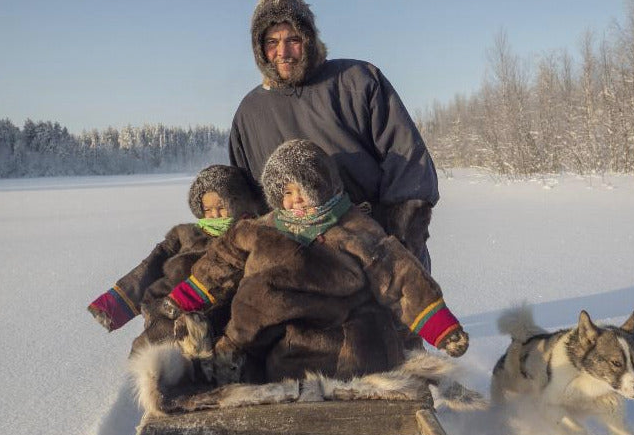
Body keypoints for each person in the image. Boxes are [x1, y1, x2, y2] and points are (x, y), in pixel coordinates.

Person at [159, 139, 469, 385]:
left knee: (352, 343)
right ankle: (226, 365)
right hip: (272, 330)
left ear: (320, 186)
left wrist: (440, 327)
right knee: (248, 315)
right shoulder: (263, 226)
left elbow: (398, 275)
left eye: (301, 190)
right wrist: (187, 296)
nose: (293, 200)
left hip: (334, 327)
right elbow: (223, 261)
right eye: (285, 192)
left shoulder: (352, 227)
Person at [228, 0, 438, 272]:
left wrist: (402, 234)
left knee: (416, 314)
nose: (283, 51)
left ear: (309, 39)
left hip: (375, 246)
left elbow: (406, 158)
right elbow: (246, 199)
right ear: (259, 48)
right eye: (272, 42)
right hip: (301, 265)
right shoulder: (249, 112)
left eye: (293, 39)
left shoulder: (357, 80)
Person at [87, 164, 264, 354]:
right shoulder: (187, 234)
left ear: (238, 204)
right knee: (149, 346)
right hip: (166, 305)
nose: (214, 215)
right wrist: (114, 305)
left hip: (214, 313)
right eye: (208, 209)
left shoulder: (246, 236)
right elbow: (151, 265)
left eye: (221, 208)